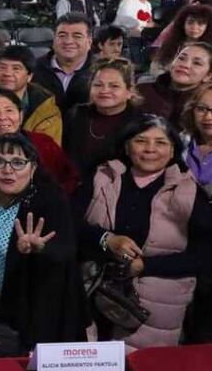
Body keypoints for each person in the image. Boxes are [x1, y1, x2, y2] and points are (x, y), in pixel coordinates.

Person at [78, 115, 212, 348]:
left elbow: (203, 255)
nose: (150, 149)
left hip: (156, 306)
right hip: (93, 294)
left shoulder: (189, 193)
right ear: (127, 147)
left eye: (160, 142)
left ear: (173, 151)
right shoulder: (102, 179)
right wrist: (106, 240)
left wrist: (145, 266)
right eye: (141, 141)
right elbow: (70, 225)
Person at [0, 133, 86, 355]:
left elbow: (66, 251)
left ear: (33, 168)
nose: (8, 170)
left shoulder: (50, 200)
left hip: (35, 313)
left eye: (18, 163)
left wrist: (41, 249)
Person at [64, 58, 141, 180]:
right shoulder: (76, 114)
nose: (104, 91)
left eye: (114, 86)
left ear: (129, 92)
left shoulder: (140, 123)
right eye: (98, 85)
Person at [32, 12, 94, 112]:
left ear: (89, 42)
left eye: (77, 36)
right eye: (62, 35)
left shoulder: (102, 71)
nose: (68, 41)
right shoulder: (33, 69)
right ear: (53, 40)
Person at [139, 42, 212, 125]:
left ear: (208, 76)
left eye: (197, 63)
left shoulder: (206, 105)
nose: (185, 65)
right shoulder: (141, 91)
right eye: (181, 58)